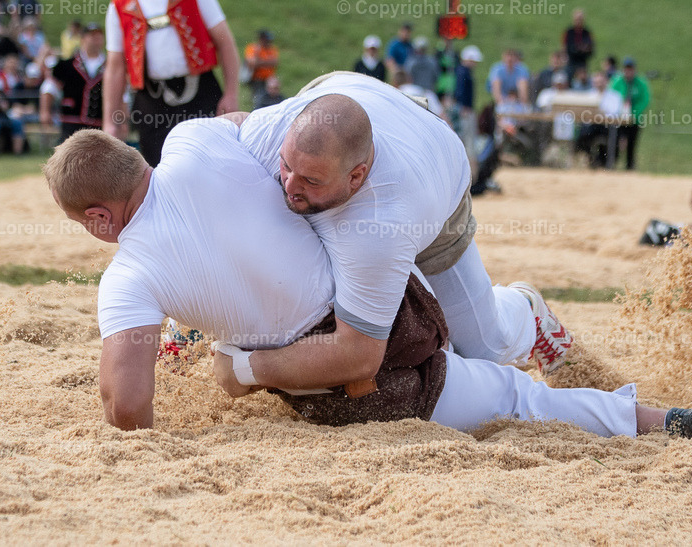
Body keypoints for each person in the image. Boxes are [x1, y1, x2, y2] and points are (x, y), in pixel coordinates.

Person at [44, 126, 692, 454]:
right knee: (497, 364)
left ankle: (673, 421)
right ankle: (538, 326)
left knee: (518, 401)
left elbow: (129, 403)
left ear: (102, 218)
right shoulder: (197, 140)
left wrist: (200, 368)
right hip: (386, 279)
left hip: (352, 364)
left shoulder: (129, 274)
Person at [238, 70, 562, 371]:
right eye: (287, 168)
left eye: (310, 180)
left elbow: (360, 352)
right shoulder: (265, 134)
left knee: (482, 348)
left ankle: (523, 307)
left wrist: (247, 371)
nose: (289, 186)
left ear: (356, 177)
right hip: (348, 95)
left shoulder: (388, 219)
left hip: (435, 168)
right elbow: (211, 141)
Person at [103, 0, 240, 167]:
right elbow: (115, 68)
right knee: (160, 168)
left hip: (201, 93)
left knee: (214, 162)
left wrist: (231, 93)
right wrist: (111, 120)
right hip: (151, 102)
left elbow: (225, 43)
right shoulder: (118, 7)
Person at [41, 22, 106, 140]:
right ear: (83, 39)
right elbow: (49, 87)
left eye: (99, 36)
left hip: (99, 123)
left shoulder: (109, 66)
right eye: (91, 36)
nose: (96, 39)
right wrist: (45, 111)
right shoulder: (66, 65)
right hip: (71, 122)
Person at [609, 57, 650, 170]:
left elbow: (644, 100)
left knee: (631, 145)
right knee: (616, 142)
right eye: (626, 69)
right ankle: (612, 165)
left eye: (630, 69)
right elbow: (611, 98)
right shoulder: (617, 82)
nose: (628, 71)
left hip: (634, 120)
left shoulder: (640, 83)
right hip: (618, 119)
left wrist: (633, 114)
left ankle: (630, 167)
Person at [453, 45, 483, 179]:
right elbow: (461, 91)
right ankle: (471, 174)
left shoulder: (462, 71)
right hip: (465, 109)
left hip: (464, 108)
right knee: (467, 140)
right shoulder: (463, 72)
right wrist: (464, 106)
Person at [243, 29, 278, 108]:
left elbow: (275, 62)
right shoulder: (253, 48)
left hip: (268, 79)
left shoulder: (272, 49)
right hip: (256, 79)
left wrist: (260, 62)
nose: (269, 42)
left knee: (271, 98)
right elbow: (252, 63)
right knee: (258, 99)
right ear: (261, 39)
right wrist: (267, 62)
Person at [562, 9, 594, 81]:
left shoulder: (587, 33)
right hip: (571, 62)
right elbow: (565, 47)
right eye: (577, 19)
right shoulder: (569, 32)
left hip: (582, 62)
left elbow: (590, 48)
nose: (578, 21)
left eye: (580, 19)